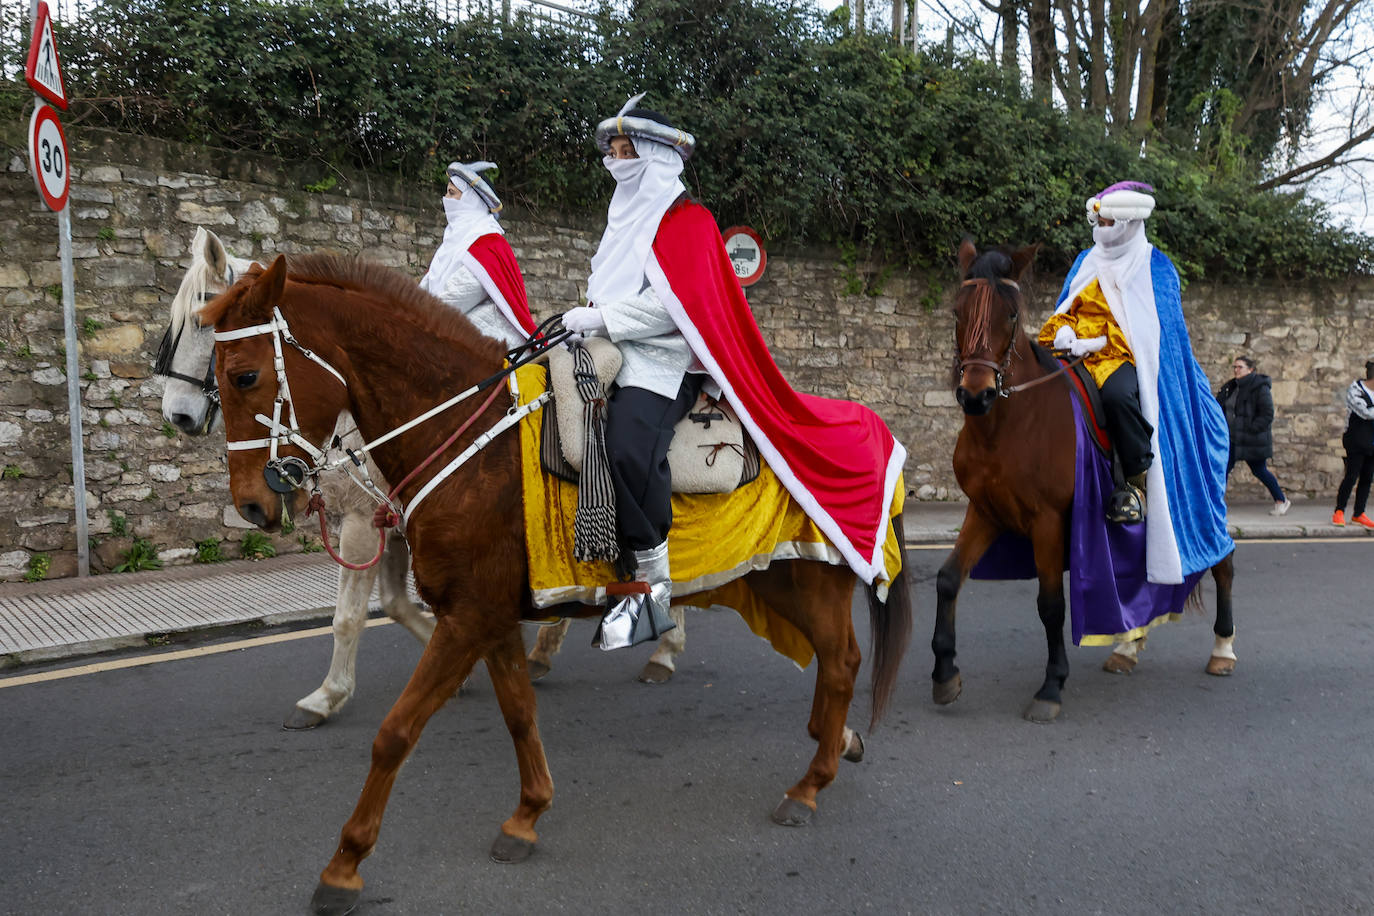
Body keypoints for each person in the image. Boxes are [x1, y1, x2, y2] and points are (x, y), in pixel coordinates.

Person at [561, 94, 905, 649]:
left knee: (626, 443)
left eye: (629, 152)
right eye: (614, 152)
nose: (617, 161)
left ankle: (651, 589)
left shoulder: (689, 223)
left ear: (655, 158)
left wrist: (603, 317)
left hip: (664, 360)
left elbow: (677, 310)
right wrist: (587, 319)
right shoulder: (620, 216)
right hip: (610, 346)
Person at [1039, 181, 1233, 585]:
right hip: (1075, 348)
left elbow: (1155, 331)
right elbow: (1066, 303)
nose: (1101, 225)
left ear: (1127, 222)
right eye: (1100, 218)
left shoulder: (1155, 266)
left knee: (1119, 395)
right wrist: (1062, 331)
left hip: (1119, 354)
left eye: (1109, 219)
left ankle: (1135, 482)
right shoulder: (1085, 259)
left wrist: (1100, 342)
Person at [418, 161, 537, 347]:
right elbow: (425, 288)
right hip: (447, 328)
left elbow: (455, 299)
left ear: (470, 199)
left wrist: (414, 316)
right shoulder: (452, 242)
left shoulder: (490, 243)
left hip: (492, 342)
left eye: (452, 193)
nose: (445, 198)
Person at [1216, 355, 1290, 516]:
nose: (1236, 370)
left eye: (1240, 367)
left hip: (1252, 439)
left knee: (1259, 470)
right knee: (1222, 469)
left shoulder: (1259, 387)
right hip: (1232, 439)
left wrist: (1251, 429)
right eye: (1234, 367)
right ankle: (1215, 504)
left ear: (1250, 370)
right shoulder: (1231, 387)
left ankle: (1281, 500)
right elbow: (1218, 407)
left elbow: (1267, 414)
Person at [1333, 360, 1374, 529]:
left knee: (1367, 478)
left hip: (1372, 441)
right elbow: (1365, 412)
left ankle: (1358, 514)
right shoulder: (1355, 390)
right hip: (1356, 440)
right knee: (1351, 476)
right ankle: (1339, 511)